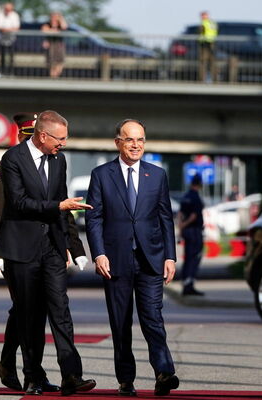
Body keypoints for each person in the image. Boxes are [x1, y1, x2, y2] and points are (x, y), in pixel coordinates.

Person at [0, 110, 96, 396]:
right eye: (59, 139)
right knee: (29, 316)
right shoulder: (13, 159)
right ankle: (33, 377)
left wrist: (71, 245)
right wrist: (58, 207)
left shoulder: (58, 160)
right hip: (21, 249)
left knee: (60, 310)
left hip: (51, 247)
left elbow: (63, 204)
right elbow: (18, 203)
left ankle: (71, 375)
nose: (63, 144)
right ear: (42, 135)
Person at [85, 119, 179, 397]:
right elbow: (94, 218)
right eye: (129, 140)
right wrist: (98, 253)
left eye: (140, 140)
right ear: (118, 143)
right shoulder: (101, 174)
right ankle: (126, 380)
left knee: (153, 317)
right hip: (115, 261)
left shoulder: (157, 175)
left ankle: (164, 371)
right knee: (120, 321)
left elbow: (165, 217)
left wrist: (170, 257)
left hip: (151, 259)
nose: (136, 145)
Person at [178, 174, 204, 296]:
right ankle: (189, 285)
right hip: (194, 231)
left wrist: (181, 227)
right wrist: (185, 225)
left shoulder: (186, 196)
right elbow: (194, 216)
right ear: (200, 184)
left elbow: (180, 213)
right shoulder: (196, 197)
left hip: (187, 232)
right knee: (195, 257)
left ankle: (185, 284)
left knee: (187, 257)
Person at [0, 2, 20, 77]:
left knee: (11, 56)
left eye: (9, 9)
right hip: (1, 38)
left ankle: (11, 73)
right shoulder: (0, 15)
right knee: (2, 56)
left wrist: (7, 30)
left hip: (12, 39)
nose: (7, 11)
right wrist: (4, 29)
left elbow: (16, 27)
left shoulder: (15, 15)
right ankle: (2, 72)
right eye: (6, 9)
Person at [41, 12, 68, 78]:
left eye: (56, 17)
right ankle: (53, 77)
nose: (54, 18)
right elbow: (44, 30)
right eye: (53, 17)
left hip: (59, 46)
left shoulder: (60, 25)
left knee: (60, 64)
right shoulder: (47, 24)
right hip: (51, 46)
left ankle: (56, 76)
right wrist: (54, 31)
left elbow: (65, 27)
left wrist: (61, 18)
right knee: (52, 65)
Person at [198, 11, 217, 83]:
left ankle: (201, 79)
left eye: (203, 16)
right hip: (212, 43)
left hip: (205, 44)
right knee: (212, 63)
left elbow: (201, 32)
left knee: (203, 62)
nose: (202, 18)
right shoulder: (212, 23)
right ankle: (214, 79)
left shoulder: (204, 23)